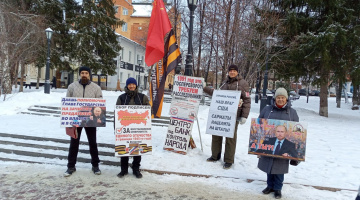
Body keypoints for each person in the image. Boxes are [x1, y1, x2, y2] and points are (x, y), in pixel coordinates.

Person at [203, 64, 251, 169]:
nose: (232, 72)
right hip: (221, 114)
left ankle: (229, 160)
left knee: (230, 138)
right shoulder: (224, 82)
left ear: (237, 72)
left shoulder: (243, 84)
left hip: (233, 116)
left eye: (234, 71)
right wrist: (204, 88)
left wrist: (244, 116)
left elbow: (247, 100)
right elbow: (216, 94)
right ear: (228, 72)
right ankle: (215, 155)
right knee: (216, 134)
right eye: (230, 71)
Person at [257, 88, 299, 199]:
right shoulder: (267, 109)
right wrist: (257, 144)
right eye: (278, 97)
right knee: (268, 165)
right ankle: (269, 186)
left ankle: (278, 189)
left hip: (284, 144)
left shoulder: (292, 112)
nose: (280, 99)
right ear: (275, 98)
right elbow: (259, 124)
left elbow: (296, 131)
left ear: (286, 99)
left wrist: (294, 153)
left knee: (280, 167)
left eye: (282, 97)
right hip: (269, 142)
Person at [64, 66, 103, 177]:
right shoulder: (72, 87)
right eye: (82, 73)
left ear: (89, 74)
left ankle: (95, 165)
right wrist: (69, 117)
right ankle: (71, 166)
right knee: (74, 143)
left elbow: (100, 103)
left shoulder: (96, 88)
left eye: (86, 73)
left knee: (93, 143)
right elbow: (68, 102)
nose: (84, 75)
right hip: (76, 119)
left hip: (90, 119)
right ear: (80, 74)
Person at [115, 77, 150, 179]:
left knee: (137, 150)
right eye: (129, 84)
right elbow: (117, 114)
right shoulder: (121, 98)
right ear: (127, 86)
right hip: (124, 129)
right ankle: (124, 170)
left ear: (136, 86)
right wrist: (116, 128)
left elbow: (148, 112)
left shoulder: (142, 97)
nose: (131, 86)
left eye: (133, 84)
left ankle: (136, 169)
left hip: (138, 129)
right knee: (124, 149)